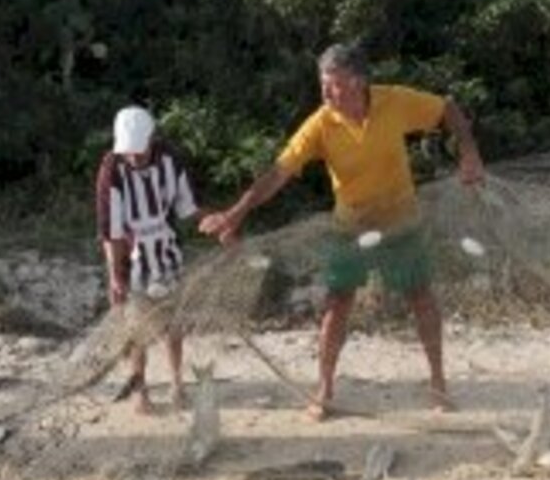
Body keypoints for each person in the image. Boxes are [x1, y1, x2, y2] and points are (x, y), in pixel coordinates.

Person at [200, 43, 484, 420]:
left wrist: (469, 152)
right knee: (337, 304)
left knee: (421, 298)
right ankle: (325, 389)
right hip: (350, 225)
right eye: (323, 85)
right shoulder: (320, 124)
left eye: (333, 85)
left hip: (401, 218)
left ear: (358, 82)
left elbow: (447, 108)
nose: (326, 93)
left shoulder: (393, 101)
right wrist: (236, 213)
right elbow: (277, 174)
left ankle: (438, 384)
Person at [95, 105, 201, 414]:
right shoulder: (111, 170)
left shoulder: (171, 159)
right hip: (133, 258)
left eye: (138, 152)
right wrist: (115, 275)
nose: (133, 158)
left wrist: (218, 223)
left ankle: (178, 383)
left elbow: (187, 209)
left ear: (151, 140)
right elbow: (110, 231)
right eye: (127, 153)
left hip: (167, 253)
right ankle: (141, 392)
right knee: (137, 328)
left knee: (174, 322)